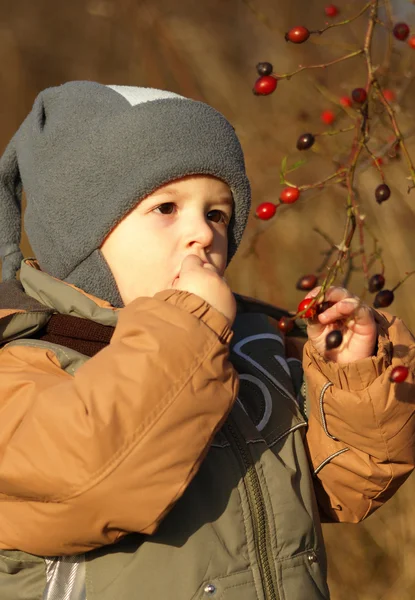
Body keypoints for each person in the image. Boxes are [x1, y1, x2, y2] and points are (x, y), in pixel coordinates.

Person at [0, 81, 413, 600]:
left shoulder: (246, 350)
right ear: (80, 230)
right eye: (166, 208)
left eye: (216, 213)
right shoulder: (23, 361)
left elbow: (342, 486)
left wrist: (352, 377)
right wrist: (190, 326)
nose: (203, 233)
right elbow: (92, 479)